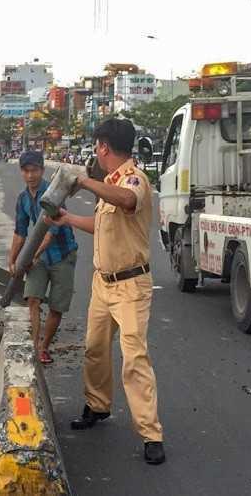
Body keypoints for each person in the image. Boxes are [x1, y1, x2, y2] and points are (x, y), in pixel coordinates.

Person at [45, 118, 166, 465]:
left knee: (134, 359)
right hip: (103, 282)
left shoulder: (133, 179)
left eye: (97, 147)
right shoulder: (110, 182)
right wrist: (68, 219)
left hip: (130, 285)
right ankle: (97, 406)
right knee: (95, 349)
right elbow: (102, 226)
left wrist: (84, 181)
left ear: (103, 147)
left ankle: (150, 434)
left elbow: (128, 200)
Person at [7, 150, 78, 365]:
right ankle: (34, 344)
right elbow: (20, 232)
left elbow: (50, 233)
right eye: (26, 171)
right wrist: (13, 259)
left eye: (35, 170)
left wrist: (30, 257)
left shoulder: (53, 194)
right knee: (33, 299)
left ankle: (44, 346)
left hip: (62, 254)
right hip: (39, 257)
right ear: (21, 172)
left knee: (57, 306)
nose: (31, 176)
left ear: (41, 169)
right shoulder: (22, 199)